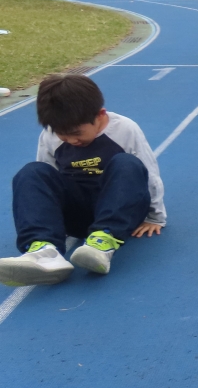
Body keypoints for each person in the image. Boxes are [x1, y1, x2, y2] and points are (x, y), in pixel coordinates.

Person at [0, 74, 165, 286]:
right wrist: (48, 219)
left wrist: (155, 216)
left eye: (77, 133)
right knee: (32, 172)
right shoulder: (50, 136)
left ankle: (103, 242)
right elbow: (47, 179)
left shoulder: (125, 129)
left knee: (127, 163)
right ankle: (44, 251)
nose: (71, 140)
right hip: (78, 214)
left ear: (100, 115)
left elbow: (149, 172)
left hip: (120, 209)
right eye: (62, 134)